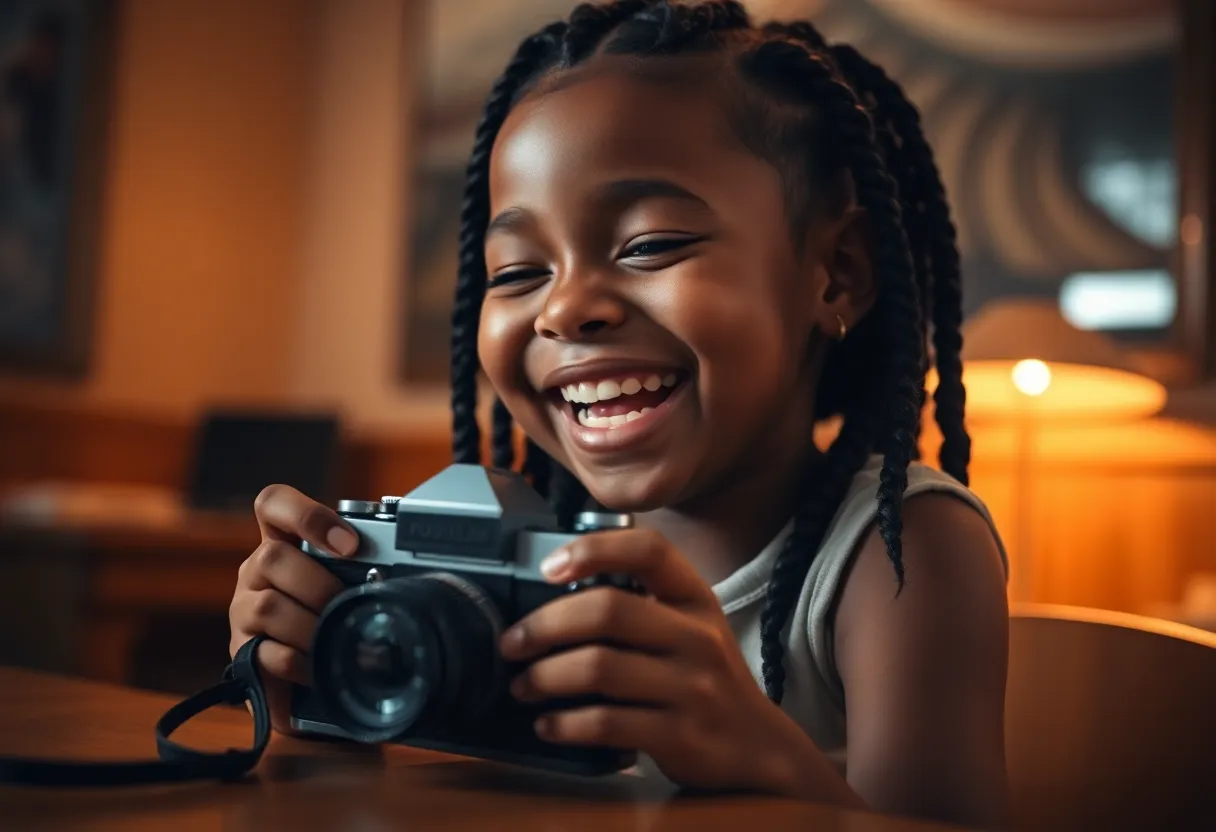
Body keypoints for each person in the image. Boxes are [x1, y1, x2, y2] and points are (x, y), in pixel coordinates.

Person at [228, 1, 1010, 826]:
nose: (566, 310)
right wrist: (331, 691)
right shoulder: (521, 561)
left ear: (836, 273)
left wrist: (757, 751)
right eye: (517, 272)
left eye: (650, 245)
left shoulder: (899, 551)